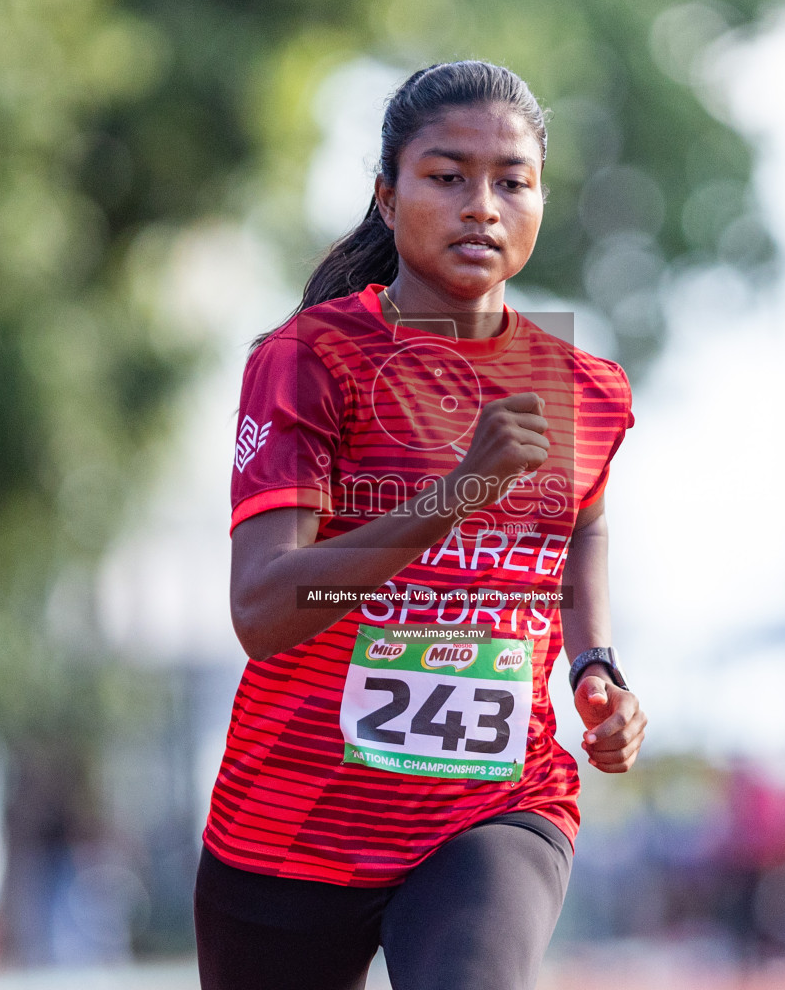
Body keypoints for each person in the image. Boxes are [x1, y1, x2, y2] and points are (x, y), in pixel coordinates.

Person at [196, 60, 644, 990]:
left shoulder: (584, 388)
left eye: (511, 181)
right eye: (447, 176)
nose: (482, 204)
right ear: (387, 198)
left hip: (494, 810)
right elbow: (264, 608)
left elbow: (584, 530)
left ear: (540, 202)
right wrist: (454, 496)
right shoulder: (309, 362)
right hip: (295, 820)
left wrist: (594, 663)